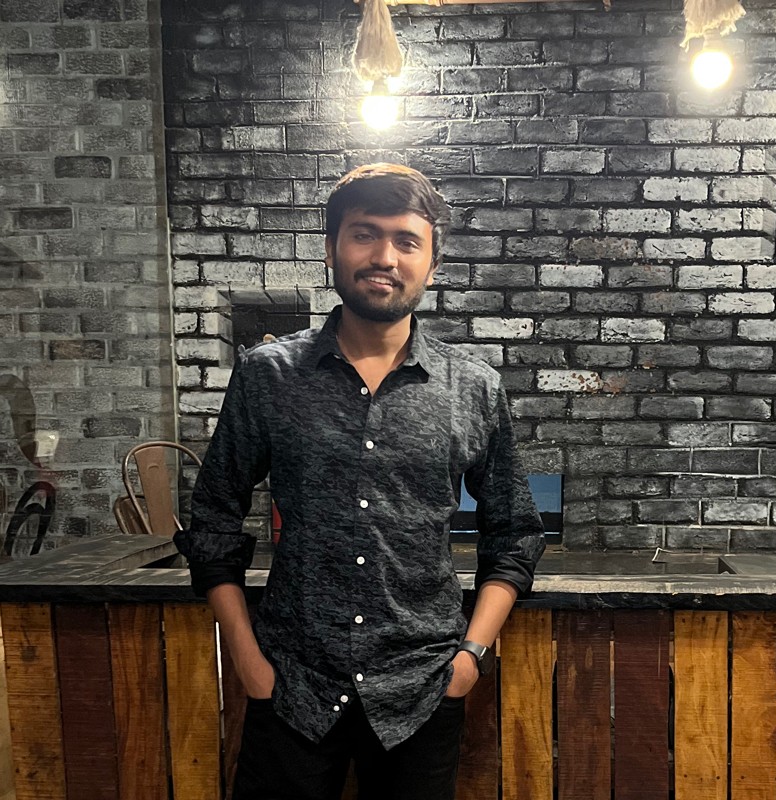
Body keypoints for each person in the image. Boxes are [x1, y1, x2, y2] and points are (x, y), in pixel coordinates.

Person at [175, 163, 545, 800]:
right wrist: (247, 660)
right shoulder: (268, 375)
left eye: (407, 241)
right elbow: (212, 519)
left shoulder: (473, 388)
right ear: (332, 249)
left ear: (432, 263)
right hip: (291, 684)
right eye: (364, 234)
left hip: (421, 688)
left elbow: (513, 533)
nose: (384, 257)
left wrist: (470, 658)